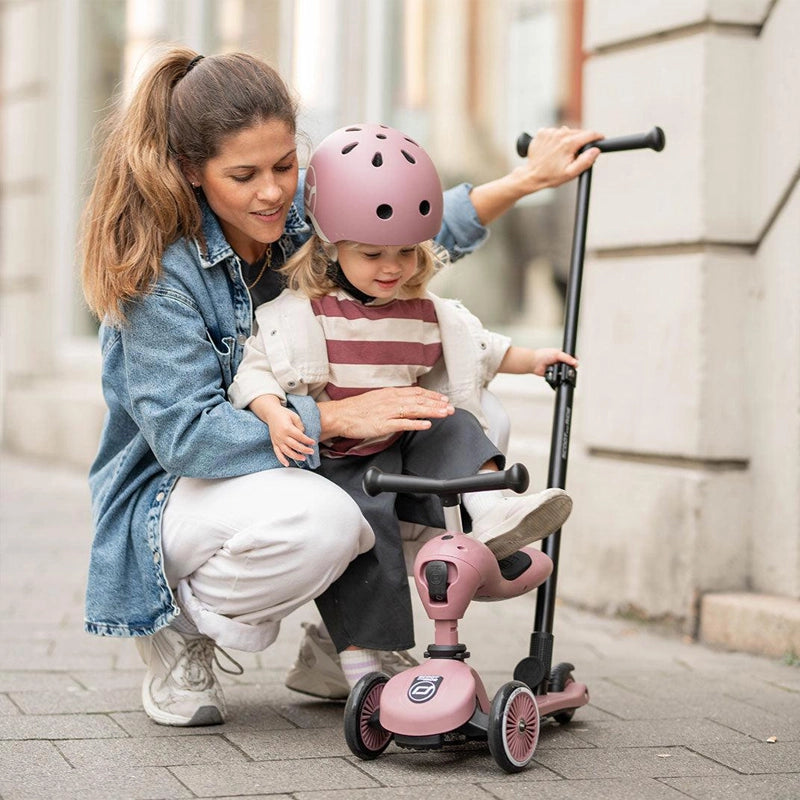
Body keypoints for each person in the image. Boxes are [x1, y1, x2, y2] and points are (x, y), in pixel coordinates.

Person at [79, 45, 602, 727]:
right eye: (244, 175)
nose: (272, 192)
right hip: (179, 493)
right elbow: (188, 438)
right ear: (191, 171)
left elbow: (395, 224)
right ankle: (179, 630)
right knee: (324, 522)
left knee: (469, 420)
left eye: (284, 166)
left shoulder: (296, 214)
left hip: (291, 449)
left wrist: (526, 181)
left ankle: (340, 646)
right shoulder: (161, 275)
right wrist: (334, 418)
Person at [227, 122, 578, 690]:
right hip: (337, 459)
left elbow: (479, 347)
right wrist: (274, 412)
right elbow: (254, 371)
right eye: (372, 254)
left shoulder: (420, 311)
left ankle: (493, 520)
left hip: (399, 444)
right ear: (329, 245)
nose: (391, 268)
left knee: (453, 420)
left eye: (406, 254)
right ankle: (362, 668)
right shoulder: (306, 314)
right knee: (368, 541)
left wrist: (535, 359)